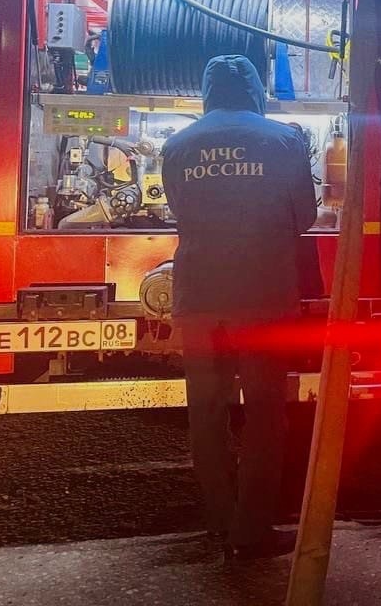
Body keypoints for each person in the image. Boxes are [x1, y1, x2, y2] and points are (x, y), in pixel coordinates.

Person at [162, 55, 317, 563]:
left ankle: (218, 519)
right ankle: (251, 530)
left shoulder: (178, 144)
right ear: (254, 89)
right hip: (261, 295)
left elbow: (177, 211)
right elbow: (304, 216)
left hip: (198, 295)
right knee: (265, 413)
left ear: (208, 90)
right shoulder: (284, 139)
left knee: (206, 412)